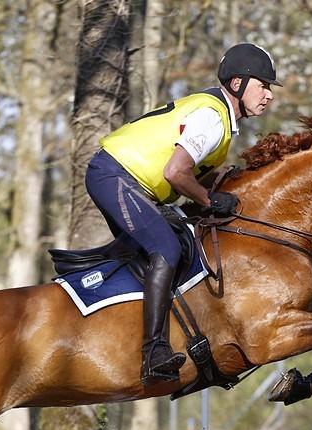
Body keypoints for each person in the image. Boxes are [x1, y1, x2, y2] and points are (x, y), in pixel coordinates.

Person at [86, 43, 281, 385]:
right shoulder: (213, 117)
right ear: (237, 83)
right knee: (167, 248)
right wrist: (208, 200)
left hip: (121, 177)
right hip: (116, 175)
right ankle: (153, 352)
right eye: (263, 85)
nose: (268, 95)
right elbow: (176, 173)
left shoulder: (219, 117)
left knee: (164, 248)